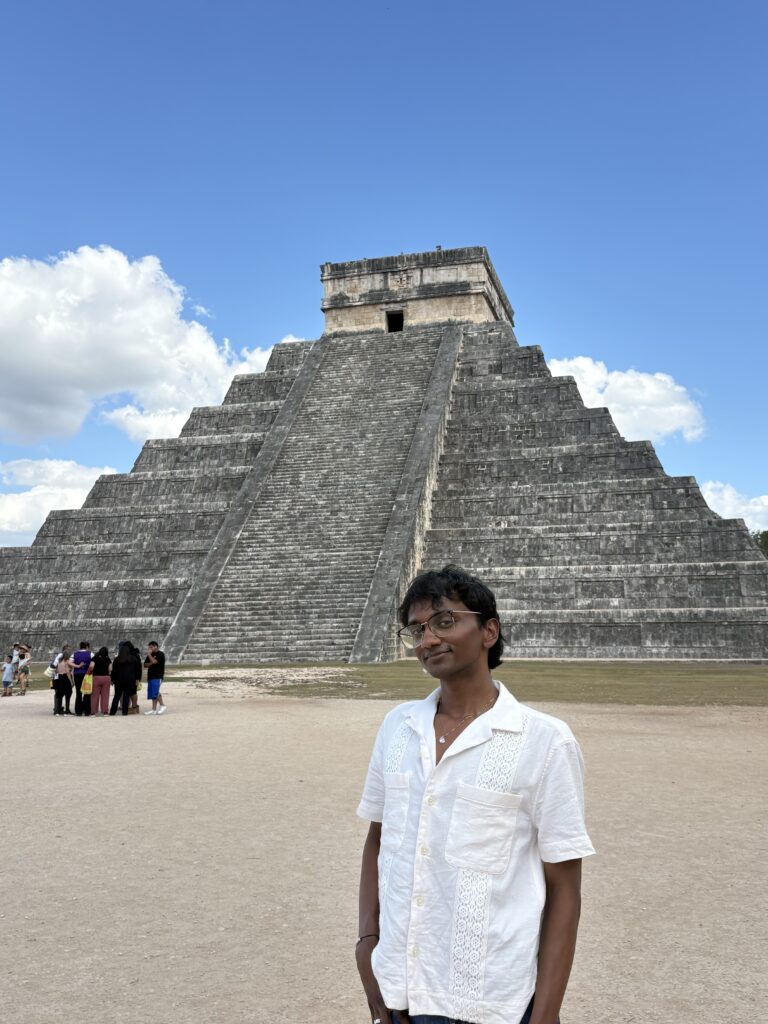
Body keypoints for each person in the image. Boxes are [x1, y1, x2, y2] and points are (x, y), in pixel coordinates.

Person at [356, 565, 595, 1024]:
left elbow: (564, 886)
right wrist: (367, 947)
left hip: (493, 999)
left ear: (489, 630)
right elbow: (378, 839)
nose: (427, 640)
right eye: (416, 629)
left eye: (445, 622)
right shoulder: (398, 728)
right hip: (398, 984)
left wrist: (545, 1016)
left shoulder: (545, 741)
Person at [109, 641, 142, 716]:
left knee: (116, 696)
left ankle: (112, 712)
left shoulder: (117, 659)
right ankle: (125, 712)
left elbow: (114, 671)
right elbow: (138, 670)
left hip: (119, 681)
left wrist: (112, 680)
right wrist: (138, 679)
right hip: (130, 680)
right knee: (126, 696)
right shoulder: (133, 659)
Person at [143, 641, 167, 715]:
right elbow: (145, 665)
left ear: (156, 646)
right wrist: (150, 661)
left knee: (155, 692)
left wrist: (149, 655)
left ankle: (162, 705)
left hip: (158, 676)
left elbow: (154, 662)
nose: (149, 649)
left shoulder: (160, 654)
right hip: (150, 676)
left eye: (151, 647)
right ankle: (153, 709)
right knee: (153, 693)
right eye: (149, 647)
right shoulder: (150, 655)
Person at [71, 641, 93, 716]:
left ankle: (78, 711)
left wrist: (77, 666)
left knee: (78, 692)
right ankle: (87, 711)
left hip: (77, 674)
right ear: (87, 646)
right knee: (87, 692)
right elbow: (94, 663)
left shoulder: (74, 654)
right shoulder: (90, 654)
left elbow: (70, 662)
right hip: (87, 675)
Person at [53, 645, 75, 715]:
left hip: (58, 677)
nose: (70, 652)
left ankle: (58, 709)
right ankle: (63, 709)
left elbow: (55, 669)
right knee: (66, 693)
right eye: (69, 650)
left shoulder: (59, 659)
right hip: (64, 677)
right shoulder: (65, 660)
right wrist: (71, 681)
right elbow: (68, 672)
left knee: (59, 694)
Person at [90, 646, 112, 716]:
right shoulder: (108, 659)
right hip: (106, 678)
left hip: (96, 678)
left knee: (94, 696)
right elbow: (110, 669)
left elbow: (91, 667)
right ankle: (105, 711)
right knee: (105, 695)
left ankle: (93, 712)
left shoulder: (95, 658)